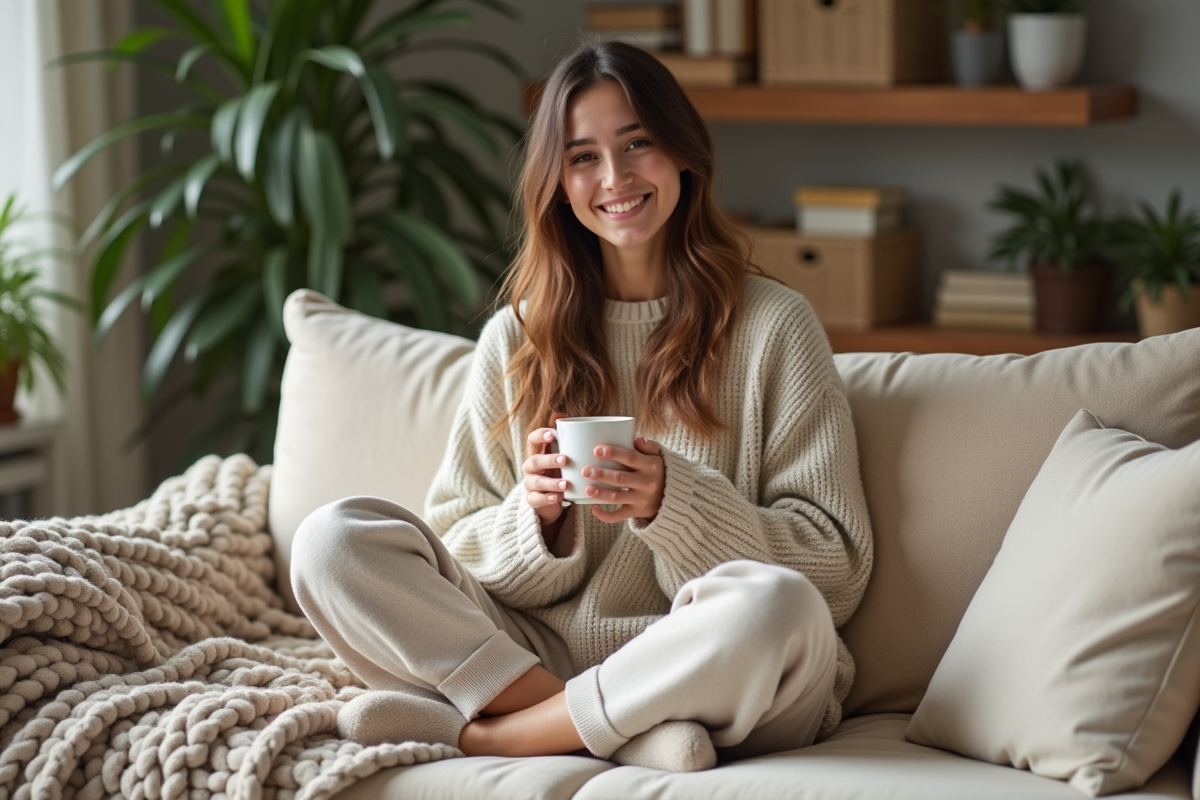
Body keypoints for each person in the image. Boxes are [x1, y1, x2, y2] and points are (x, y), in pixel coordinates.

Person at [290, 39, 873, 772]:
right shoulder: (517, 337)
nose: (616, 177)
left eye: (638, 144)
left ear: (684, 154)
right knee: (332, 540)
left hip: (716, 660)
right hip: (541, 650)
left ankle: (499, 732)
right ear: (557, 182)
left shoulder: (774, 328)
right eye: (583, 156)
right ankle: (607, 724)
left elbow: (837, 568)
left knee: (777, 610)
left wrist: (676, 505)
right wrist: (533, 523)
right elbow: (454, 541)